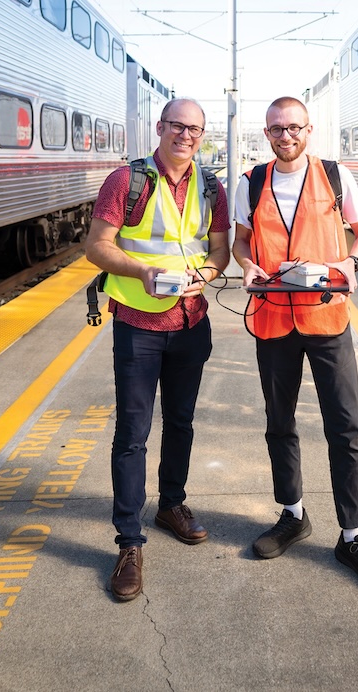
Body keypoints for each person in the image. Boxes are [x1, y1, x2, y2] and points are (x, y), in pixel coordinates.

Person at [232, 96, 358, 590]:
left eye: (295, 128)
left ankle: (353, 536)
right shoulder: (250, 182)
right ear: (267, 134)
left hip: (327, 317)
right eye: (278, 130)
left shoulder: (336, 176)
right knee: (279, 423)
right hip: (273, 318)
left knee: (345, 426)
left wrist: (352, 264)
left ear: (309, 130)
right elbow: (241, 240)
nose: (287, 137)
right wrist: (247, 265)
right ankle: (292, 514)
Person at [86, 97, 230, 601]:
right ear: (160, 127)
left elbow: (219, 251)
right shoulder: (125, 182)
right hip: (139, 327)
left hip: (191, 323)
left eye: (195, 129)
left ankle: (172, 504)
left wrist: (206, 276)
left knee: (183, 422)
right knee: (133, 432)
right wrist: (142, 271)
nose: (186, 136)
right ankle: (129, 542)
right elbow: (97, 246)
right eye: (177, 126)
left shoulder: (212, 186)